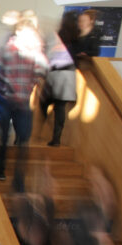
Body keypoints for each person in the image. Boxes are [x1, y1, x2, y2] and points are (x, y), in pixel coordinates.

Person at [0, 19, 47, 188]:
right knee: (4, 135)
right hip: (6, 100)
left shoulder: (35, 51)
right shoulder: (6, 49)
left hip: (22, 101)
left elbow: (41, 70)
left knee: (23, 140)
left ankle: (18, 178)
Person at [43, 13, 78, 147]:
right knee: (60, 107)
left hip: (56, 73)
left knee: (45, 103)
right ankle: (56, 137)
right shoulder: (75, 37)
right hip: (69, 73)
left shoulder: (58, 35)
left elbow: (49, 53)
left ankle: (41, 129)